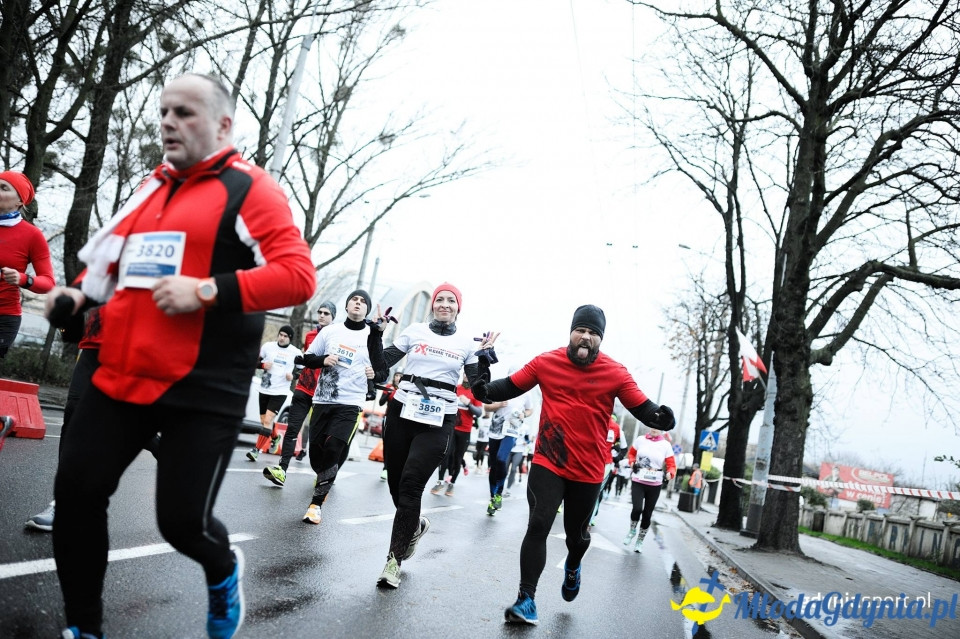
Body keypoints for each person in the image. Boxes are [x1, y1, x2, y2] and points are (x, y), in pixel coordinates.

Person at [44, 73, 315, 639]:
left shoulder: (250, 190)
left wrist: (208, 289)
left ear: (221, 125)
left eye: (184, 112)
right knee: (75, 495)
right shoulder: (151, 189)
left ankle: (221, 569)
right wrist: (73, 296)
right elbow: (104, 274)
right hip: (118, 372)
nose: (168, 121)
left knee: (182, 522)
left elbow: (296, 276)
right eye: (164, 111)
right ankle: (83, 627)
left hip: (201, 386)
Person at [470, 304, 675, 625]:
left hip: (589, 470)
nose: (586, 337)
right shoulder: (546, 362)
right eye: (581, 330)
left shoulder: (615, 372)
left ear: (600, 340)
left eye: (593, 333)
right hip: (547, 461)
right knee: (538, 524)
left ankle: (573, 563)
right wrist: (483, 382)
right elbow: (506, 387)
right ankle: (527, 599)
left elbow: (643, 407)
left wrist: (660, 418)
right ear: (571, 332)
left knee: (576, 537)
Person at [374, 283, 498, 589]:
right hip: (402, 411)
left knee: (412, 485)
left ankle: (393, 561)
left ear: (458, 307)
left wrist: (484, 359)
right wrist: (375, 335)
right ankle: (413, 527)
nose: (444, 304)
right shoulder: (415, 331)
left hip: (439, 418)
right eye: (439, 299)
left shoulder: (467, 342)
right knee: (396, 485)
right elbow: (380, 367)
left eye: (450, 300)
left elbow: (480, 389)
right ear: (433, 305)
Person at [290, 289, 386, 523]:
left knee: (334, 448)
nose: (358, 303)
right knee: (317, 457)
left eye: (364, 302)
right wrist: (323, 360)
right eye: (354, 299)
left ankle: (315, 505)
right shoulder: (330, 331)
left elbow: (383, 372)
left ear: (367, 310)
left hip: (351, 403)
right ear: (346, 306)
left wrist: (375, 372)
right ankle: (324, 475)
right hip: (323, 400)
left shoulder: (371, 336)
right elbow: (304, 359)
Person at [0, 170, 55, 359]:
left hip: (3, 316)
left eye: (3, 188)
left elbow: (48, 283)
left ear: (19, 202)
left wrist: (22, 278)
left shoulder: (32, 235)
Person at [246, 325, 302, 461]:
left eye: (285, 336)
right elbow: (255, 361)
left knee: (268, 420)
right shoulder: (268, 347)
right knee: (264, 420)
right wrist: (262, 365)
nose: (282, 338)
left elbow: (303, 371)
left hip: (280, 391)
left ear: (290, 339)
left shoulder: (296, 353)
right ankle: (276, 438)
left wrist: (293, 376)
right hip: (265, 388)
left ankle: (256, 450)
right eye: (280, 335)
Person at [290, 301, 337, 463]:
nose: (322, 316)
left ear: (333, 317)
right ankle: (293, 456)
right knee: (298, 424)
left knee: (315, 427)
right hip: (305, 386)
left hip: (323, 391)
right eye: (320, 312)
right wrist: (300, 363)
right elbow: (309, 357)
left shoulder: (337, 336)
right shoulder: (310, 335)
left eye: (326, 313)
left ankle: (321, 462)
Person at [622, 427, 676, 553]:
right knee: (637, 509)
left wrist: (670, 473)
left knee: (647, 514)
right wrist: (631, 462)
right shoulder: (640, 440)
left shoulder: (665, 445)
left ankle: (640, 540)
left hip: (655, 483)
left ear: (662, 430)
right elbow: (631, 454)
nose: (654, 429)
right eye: (652, 426)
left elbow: (671, 465)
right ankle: (632, 531)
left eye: (658, 428)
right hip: (638, 479)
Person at [483, 386, 533, 515]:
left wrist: (524, 415)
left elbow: (530, 410)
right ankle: (493, 497)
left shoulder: (525, 393)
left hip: (511, 430)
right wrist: (498, 405)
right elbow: (486, 407)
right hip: (495, 429)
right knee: (493, 465)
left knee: (501, 459)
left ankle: (499, 493)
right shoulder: (499, 388)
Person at [429, 374, 482, 497]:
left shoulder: (475, 393)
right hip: (451, 427)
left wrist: (469, 403)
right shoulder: (456, 388)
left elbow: (479, 412)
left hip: (465, 431)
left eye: (468, 375)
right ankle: (440, 481)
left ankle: (452, 483)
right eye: (464, 373)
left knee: (458, 458)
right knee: (445, 454)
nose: (466, 376)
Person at [590, 415, 624, 525]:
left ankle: (590, 519)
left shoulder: (616, 427)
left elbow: (623, 447)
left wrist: (617, 457)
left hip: (606, 463)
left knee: (597, 491)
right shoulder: (593, 418)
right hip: (589, 459)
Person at [377, 370, 403, 480]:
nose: (397, 378)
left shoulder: (405, 390)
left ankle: (396, 468)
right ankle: (385, 468)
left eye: (400, 376)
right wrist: (388, 393)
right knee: (386, 443)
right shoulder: (388, 387)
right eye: (396, 375)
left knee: (398, 445)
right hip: (388, 418)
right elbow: (380, 403)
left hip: (401, 421)